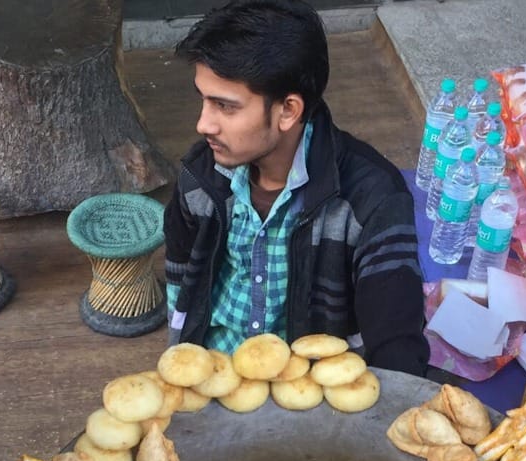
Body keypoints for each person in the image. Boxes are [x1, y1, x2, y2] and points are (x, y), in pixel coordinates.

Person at [162, 0, 429, 376]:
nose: (204, 124)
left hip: (309, 394)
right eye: (203, 100)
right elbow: (180, 281)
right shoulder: (200, 178)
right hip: (216, 373)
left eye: (225, 106)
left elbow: (396, 340)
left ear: (288, 110)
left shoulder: (371, 199)